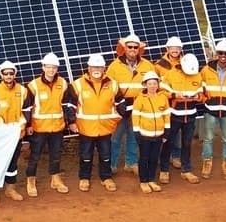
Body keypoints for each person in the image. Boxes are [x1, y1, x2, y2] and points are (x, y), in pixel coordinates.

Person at [69, 53, 125, 192]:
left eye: (99, 67)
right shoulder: (77, 85)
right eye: (94, 66)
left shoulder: (112, 84)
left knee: (106, 154)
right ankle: (84, 178)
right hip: (85, 128)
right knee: (85, 155)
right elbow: (70, 106)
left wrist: (117, 117)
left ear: (104, 68)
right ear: (88, 68)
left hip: (105, 128)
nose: (97, 69)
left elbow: (121, 103)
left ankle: (106, 177)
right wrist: (71, 122)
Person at [24, 53, 76, 195]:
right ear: (43, 67)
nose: (51, 70)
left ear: (57, 68)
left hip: (57, 127)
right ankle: (31, 181)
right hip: (39, 128)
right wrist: (28, 124)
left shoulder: (63, 83)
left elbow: (67, 104)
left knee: (56, 154)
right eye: (48, 67)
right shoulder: (33, 86)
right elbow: (27, 108)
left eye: (54, 67)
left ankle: (55, 179)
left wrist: (70, 121)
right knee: (35, 155)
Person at [106, 34, 154, 172]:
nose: (132, 49)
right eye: (130, 46)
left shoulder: (147, 65)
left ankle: (131, 163)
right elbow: (109, 88)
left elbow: (153, 85)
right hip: (120, 108)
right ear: (124, 48)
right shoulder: (115, 66)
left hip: (139, 108)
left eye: (135, 47)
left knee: (134, 137)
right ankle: (111, 165)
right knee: (115, 138)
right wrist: (118, 104)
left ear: (139, 49)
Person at [199, 40, 226, 180]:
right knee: (208, 139)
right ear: (216, 54)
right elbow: (200, 89)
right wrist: (205, 100)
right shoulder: (206, 70)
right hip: (210, 111)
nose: (223, 56)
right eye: (221, 53)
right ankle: (207, 163)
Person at [0, 60, 28, 201]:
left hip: (17, 133)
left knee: (12, 162)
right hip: (0, 135)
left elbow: (27, 111)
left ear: (14, 75)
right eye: (6, 74)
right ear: (1, 75)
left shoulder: (23, 91)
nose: (9, 76)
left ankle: (10, 189)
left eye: (11, 73)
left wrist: (24, 126)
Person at [163, 53, 205, 183]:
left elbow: (203, 93)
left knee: (187, 144)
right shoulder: (170, 74)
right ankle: (164, 170)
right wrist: (174, 94)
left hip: (190, 115)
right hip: (174, 115)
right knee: (168, 143)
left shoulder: (197, 75)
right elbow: (162, 92)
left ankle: (186, 170)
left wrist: (199, 97)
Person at [130, 71, 170, 193]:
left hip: (158, 135)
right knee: (144, 158)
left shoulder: (163, 98)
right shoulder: (140, 99)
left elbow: (166, 114)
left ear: (158, 84)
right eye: (150, 83)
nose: (152, 86)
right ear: (145, 85)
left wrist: (166, 131)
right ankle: (144, 181)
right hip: (144, 135)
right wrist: (136, 133)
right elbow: (135, 116)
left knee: (154, 158)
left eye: (155, 83)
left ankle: (152, 179)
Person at [153, 37, 187, 169]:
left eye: (178, 48)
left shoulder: (186, 62)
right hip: (164, 102)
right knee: (161, 129)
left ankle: (175, 156)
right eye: (172, 48)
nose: (175, 51)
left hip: (180, 104)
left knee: (176, 132)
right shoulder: (159, 65)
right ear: (167, 49)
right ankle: (159, 156)